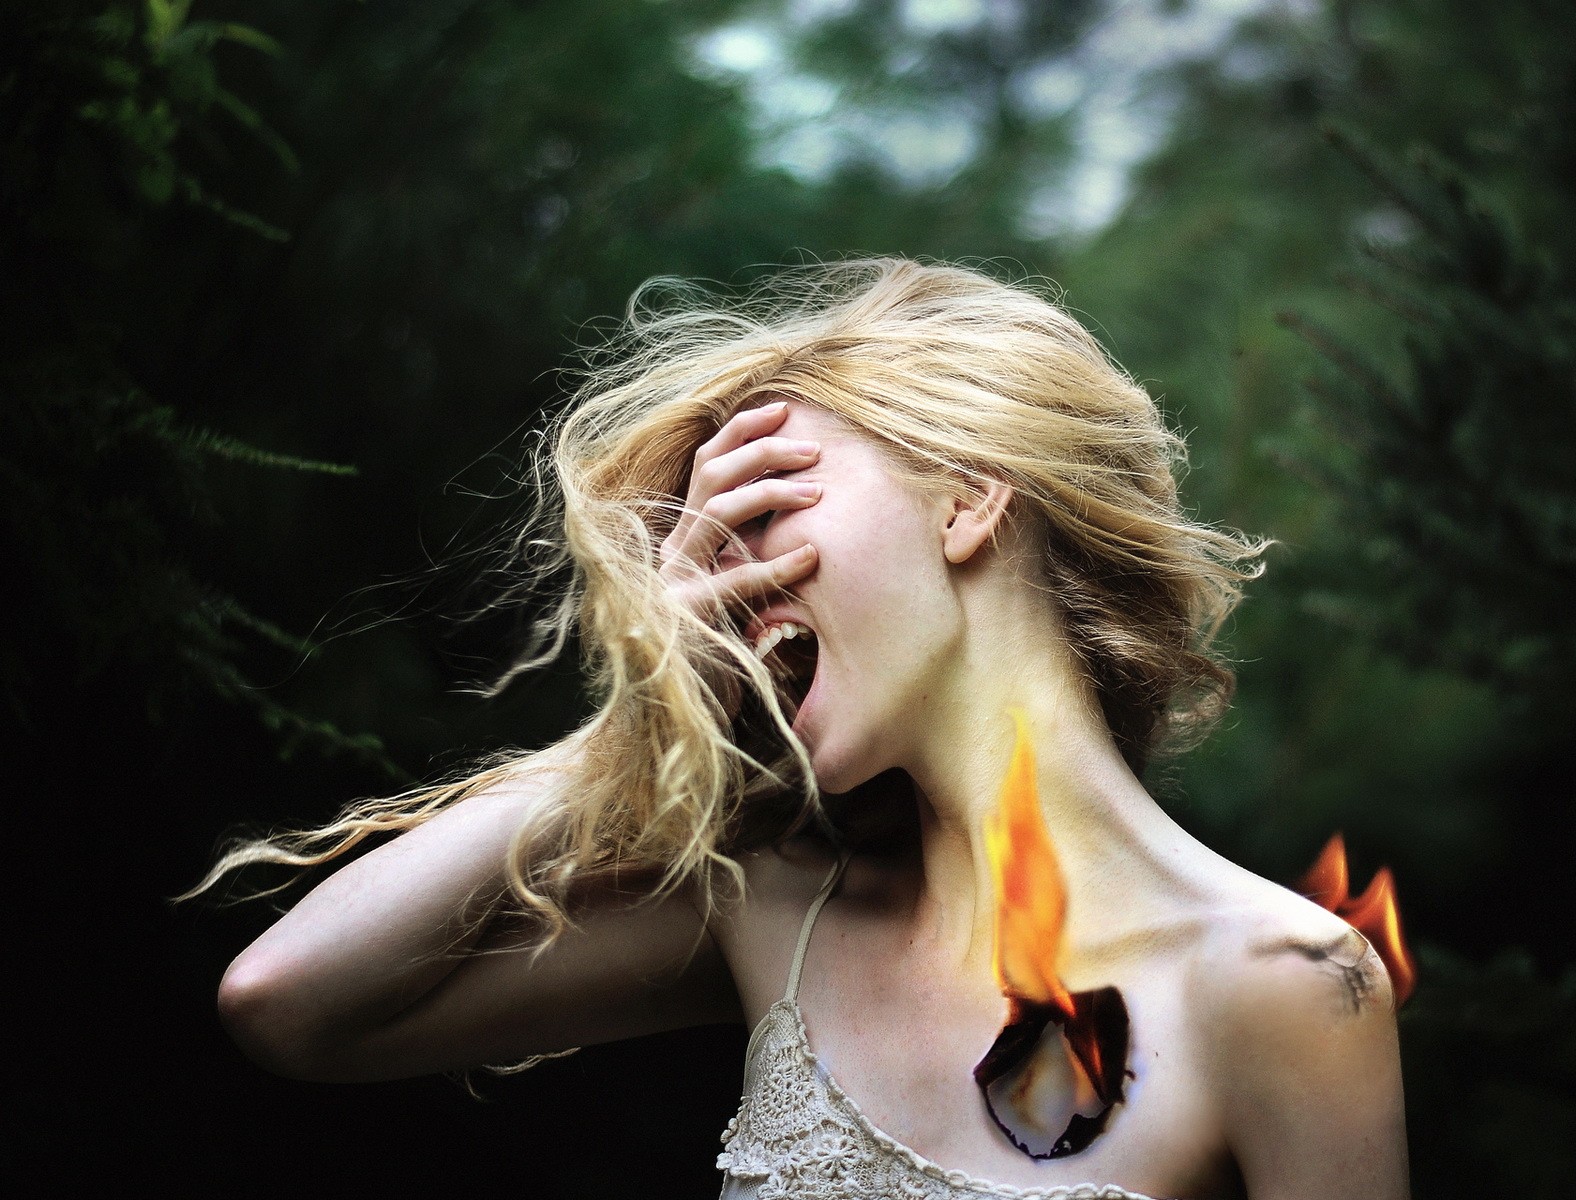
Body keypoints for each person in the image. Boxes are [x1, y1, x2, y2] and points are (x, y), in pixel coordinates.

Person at [199, 259, 1409, 1199]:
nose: (725, 576)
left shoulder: (1284, 987)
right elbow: (287, 1005)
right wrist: (643, 715)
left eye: (766, 502)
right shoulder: (781, 906)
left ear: (966, 496)